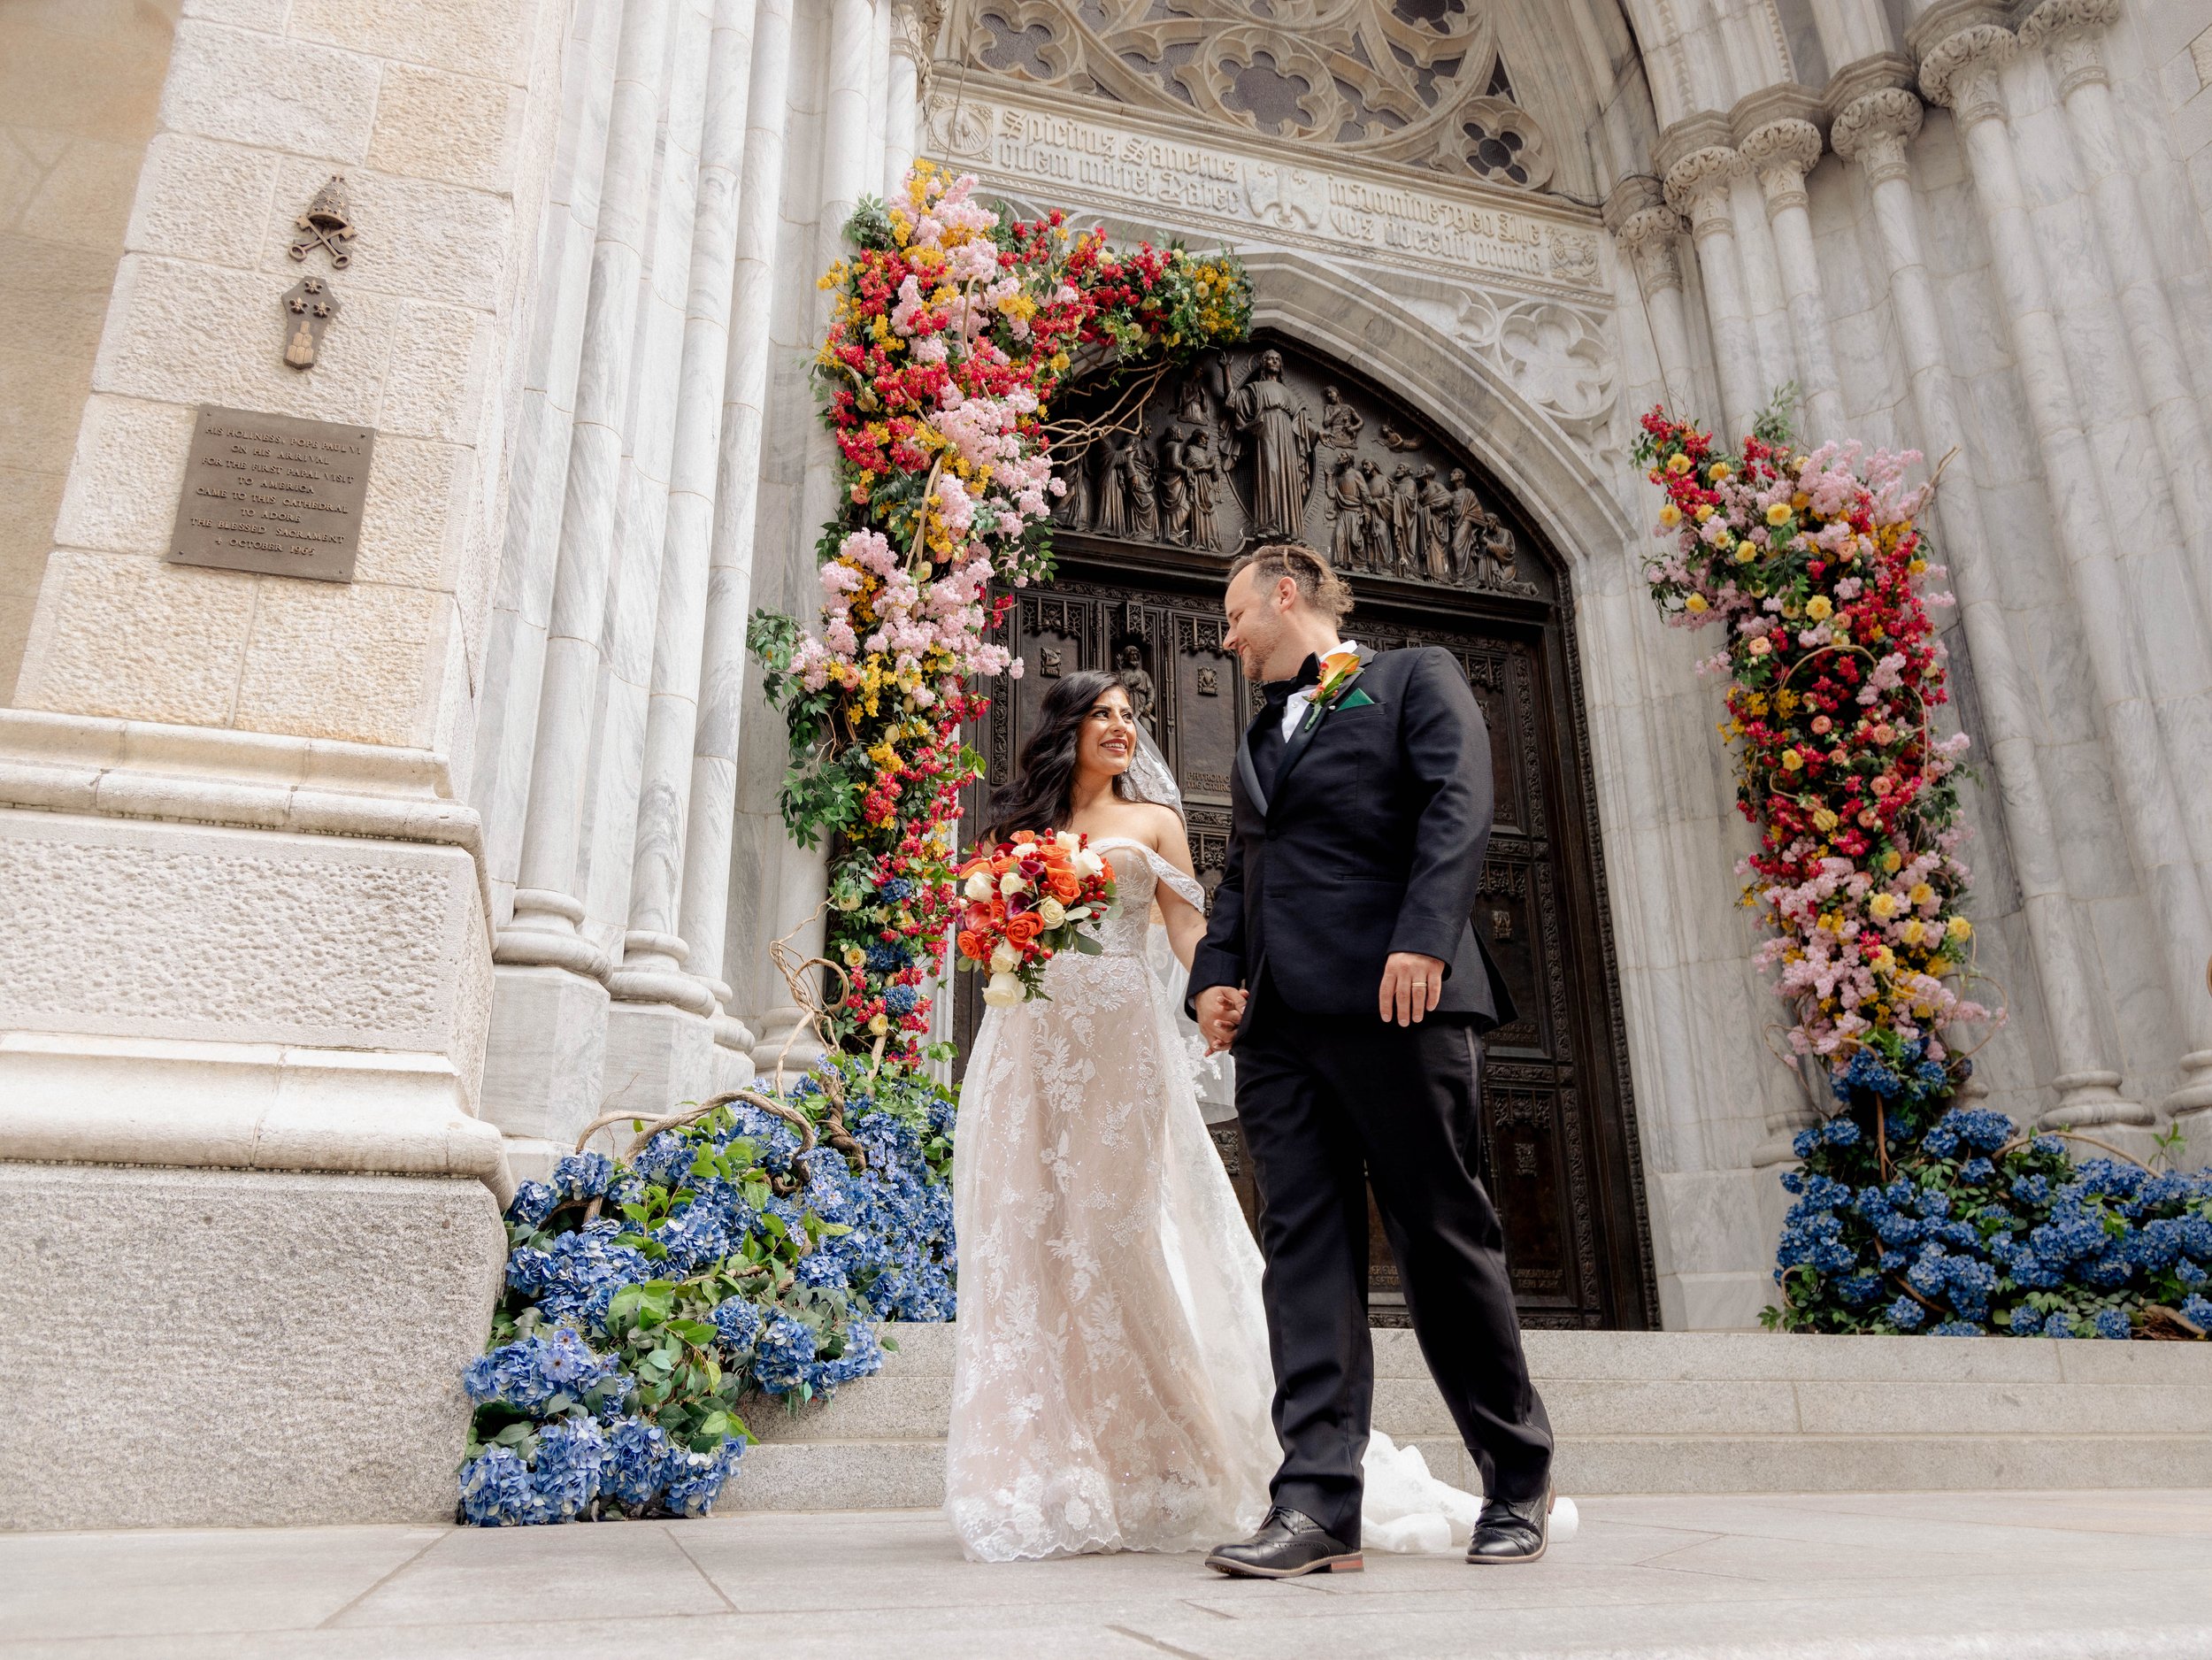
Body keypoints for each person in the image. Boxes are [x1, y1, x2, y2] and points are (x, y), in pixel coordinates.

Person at [945, 666, 1502, 1564]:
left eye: (1130, 716)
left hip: (1120, 1047)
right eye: (1104, 716)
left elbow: (1188, 928)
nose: (1123, 729)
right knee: (1030, 1239)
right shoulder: (1016, 832)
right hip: (1027, 1051)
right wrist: (997, 925)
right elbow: (987, 937)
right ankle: (1058, 1467)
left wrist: (1217, 991)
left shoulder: (1154, 821)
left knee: (1113, 1232)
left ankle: (1175, 1454)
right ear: (1066, 729)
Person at [1188, 542, 1555, 1577]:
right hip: (1279, 1027)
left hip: (1400, 999)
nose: (1225, 638)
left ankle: (1516, 1474)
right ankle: (1313, 1507)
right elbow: (1240, 872)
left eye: (1233, 615)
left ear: (1285, 592)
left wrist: (1424, 938)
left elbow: (1455, 807)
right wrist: (1215, 973)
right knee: (1303, 1254)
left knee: (1442, 1239)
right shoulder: (1265, 726)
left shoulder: (1411, 678)